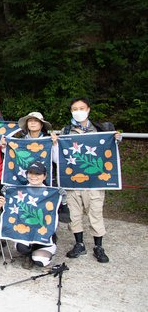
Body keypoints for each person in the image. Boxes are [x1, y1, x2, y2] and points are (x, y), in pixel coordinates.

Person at [53, 97, 121, 264]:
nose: (78, 111)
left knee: (95, 213)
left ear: (88, 109)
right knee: (74, 215)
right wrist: (55, 145)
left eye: (81, 108)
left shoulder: (99, 129)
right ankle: (79, 244)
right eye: (75, 109)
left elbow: (110, 153)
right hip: (73, 182)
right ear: (71, 111)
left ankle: (98, 246)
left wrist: (116, 139)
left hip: (94, 182)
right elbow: (58, 158)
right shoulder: (66, 131)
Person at [12, 162, 64, 269]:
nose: (33, 176)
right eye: (30, 173)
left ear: (44, 176)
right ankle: (27, 255)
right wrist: (5, 198)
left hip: (44, 235)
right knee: (22, 247)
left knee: (41, 261)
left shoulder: (52, 193)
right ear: (26, 175)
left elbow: (65, 218)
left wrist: (63, 201)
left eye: (37, 174)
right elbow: (10, 214)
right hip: (25, 233)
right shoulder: (19, 192)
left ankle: (38, 253)